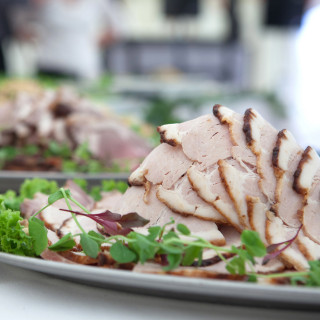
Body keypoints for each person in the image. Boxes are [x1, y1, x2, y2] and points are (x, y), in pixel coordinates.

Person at [29, 0, 122, 80]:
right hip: (48, 64)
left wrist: (91, 45)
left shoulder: (97, 2)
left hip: (81, 67)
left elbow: (115, 30)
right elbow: (27, 22)